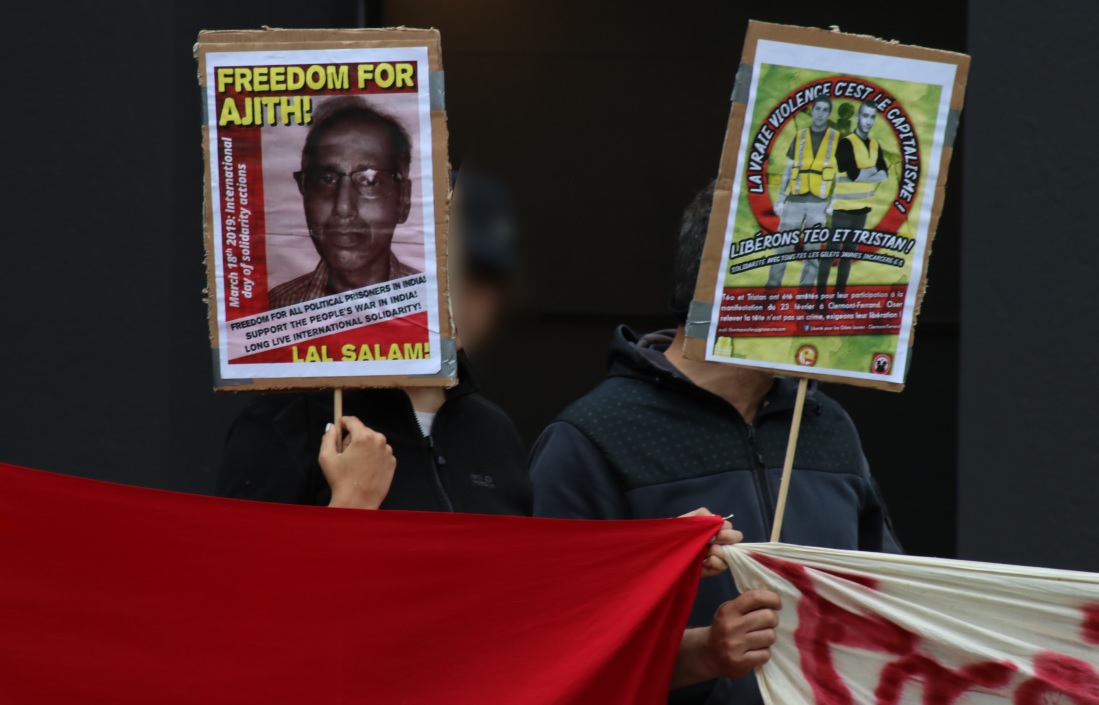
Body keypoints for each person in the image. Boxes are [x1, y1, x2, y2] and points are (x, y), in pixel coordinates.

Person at [529, 182, 901, 705]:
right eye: (802, 263)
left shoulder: (825, 423)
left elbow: (889, 603)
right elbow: (553, 654)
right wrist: (701, 656)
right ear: (723, 276)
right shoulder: (593, 438)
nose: (825, 292)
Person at [217, 167, 531, 515]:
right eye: (443, 267)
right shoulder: (289, 423)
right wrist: (351, 503)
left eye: (480, 277)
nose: (460, 293)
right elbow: (240, 568)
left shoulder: (494, 433)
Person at [269, 96, 419, 308]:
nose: (343, 207)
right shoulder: (272, 310)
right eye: (327, 179)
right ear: (304, 189)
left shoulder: (435, 306)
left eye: (370, 181)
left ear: (403, 200)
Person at [817, 100, 889, 306]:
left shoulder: (875, 145)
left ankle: (839, 297)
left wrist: (866, 173)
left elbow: (884, 174)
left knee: (848, 255)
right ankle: (820, 298)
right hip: (842, 210)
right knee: (830, 253)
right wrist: (869, 173)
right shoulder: (846, 143)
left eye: (872, 117)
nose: (868, 121)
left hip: (862, 211)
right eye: (864, 116)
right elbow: (854, 174)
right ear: (857, 118)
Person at [766, 96, 840, 289]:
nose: (821, 114)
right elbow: (789, 169)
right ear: (813, 111)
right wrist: (781, 199)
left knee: (812, 251)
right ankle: (771, 290)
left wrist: (835, 201)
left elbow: (840, 173)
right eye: (818, 109)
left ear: (829, 113)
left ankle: (805, 295)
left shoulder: (835, 138)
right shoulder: (800, 136)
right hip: (794, 202)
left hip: (819, 204)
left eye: (825, 110)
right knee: (782, 248)